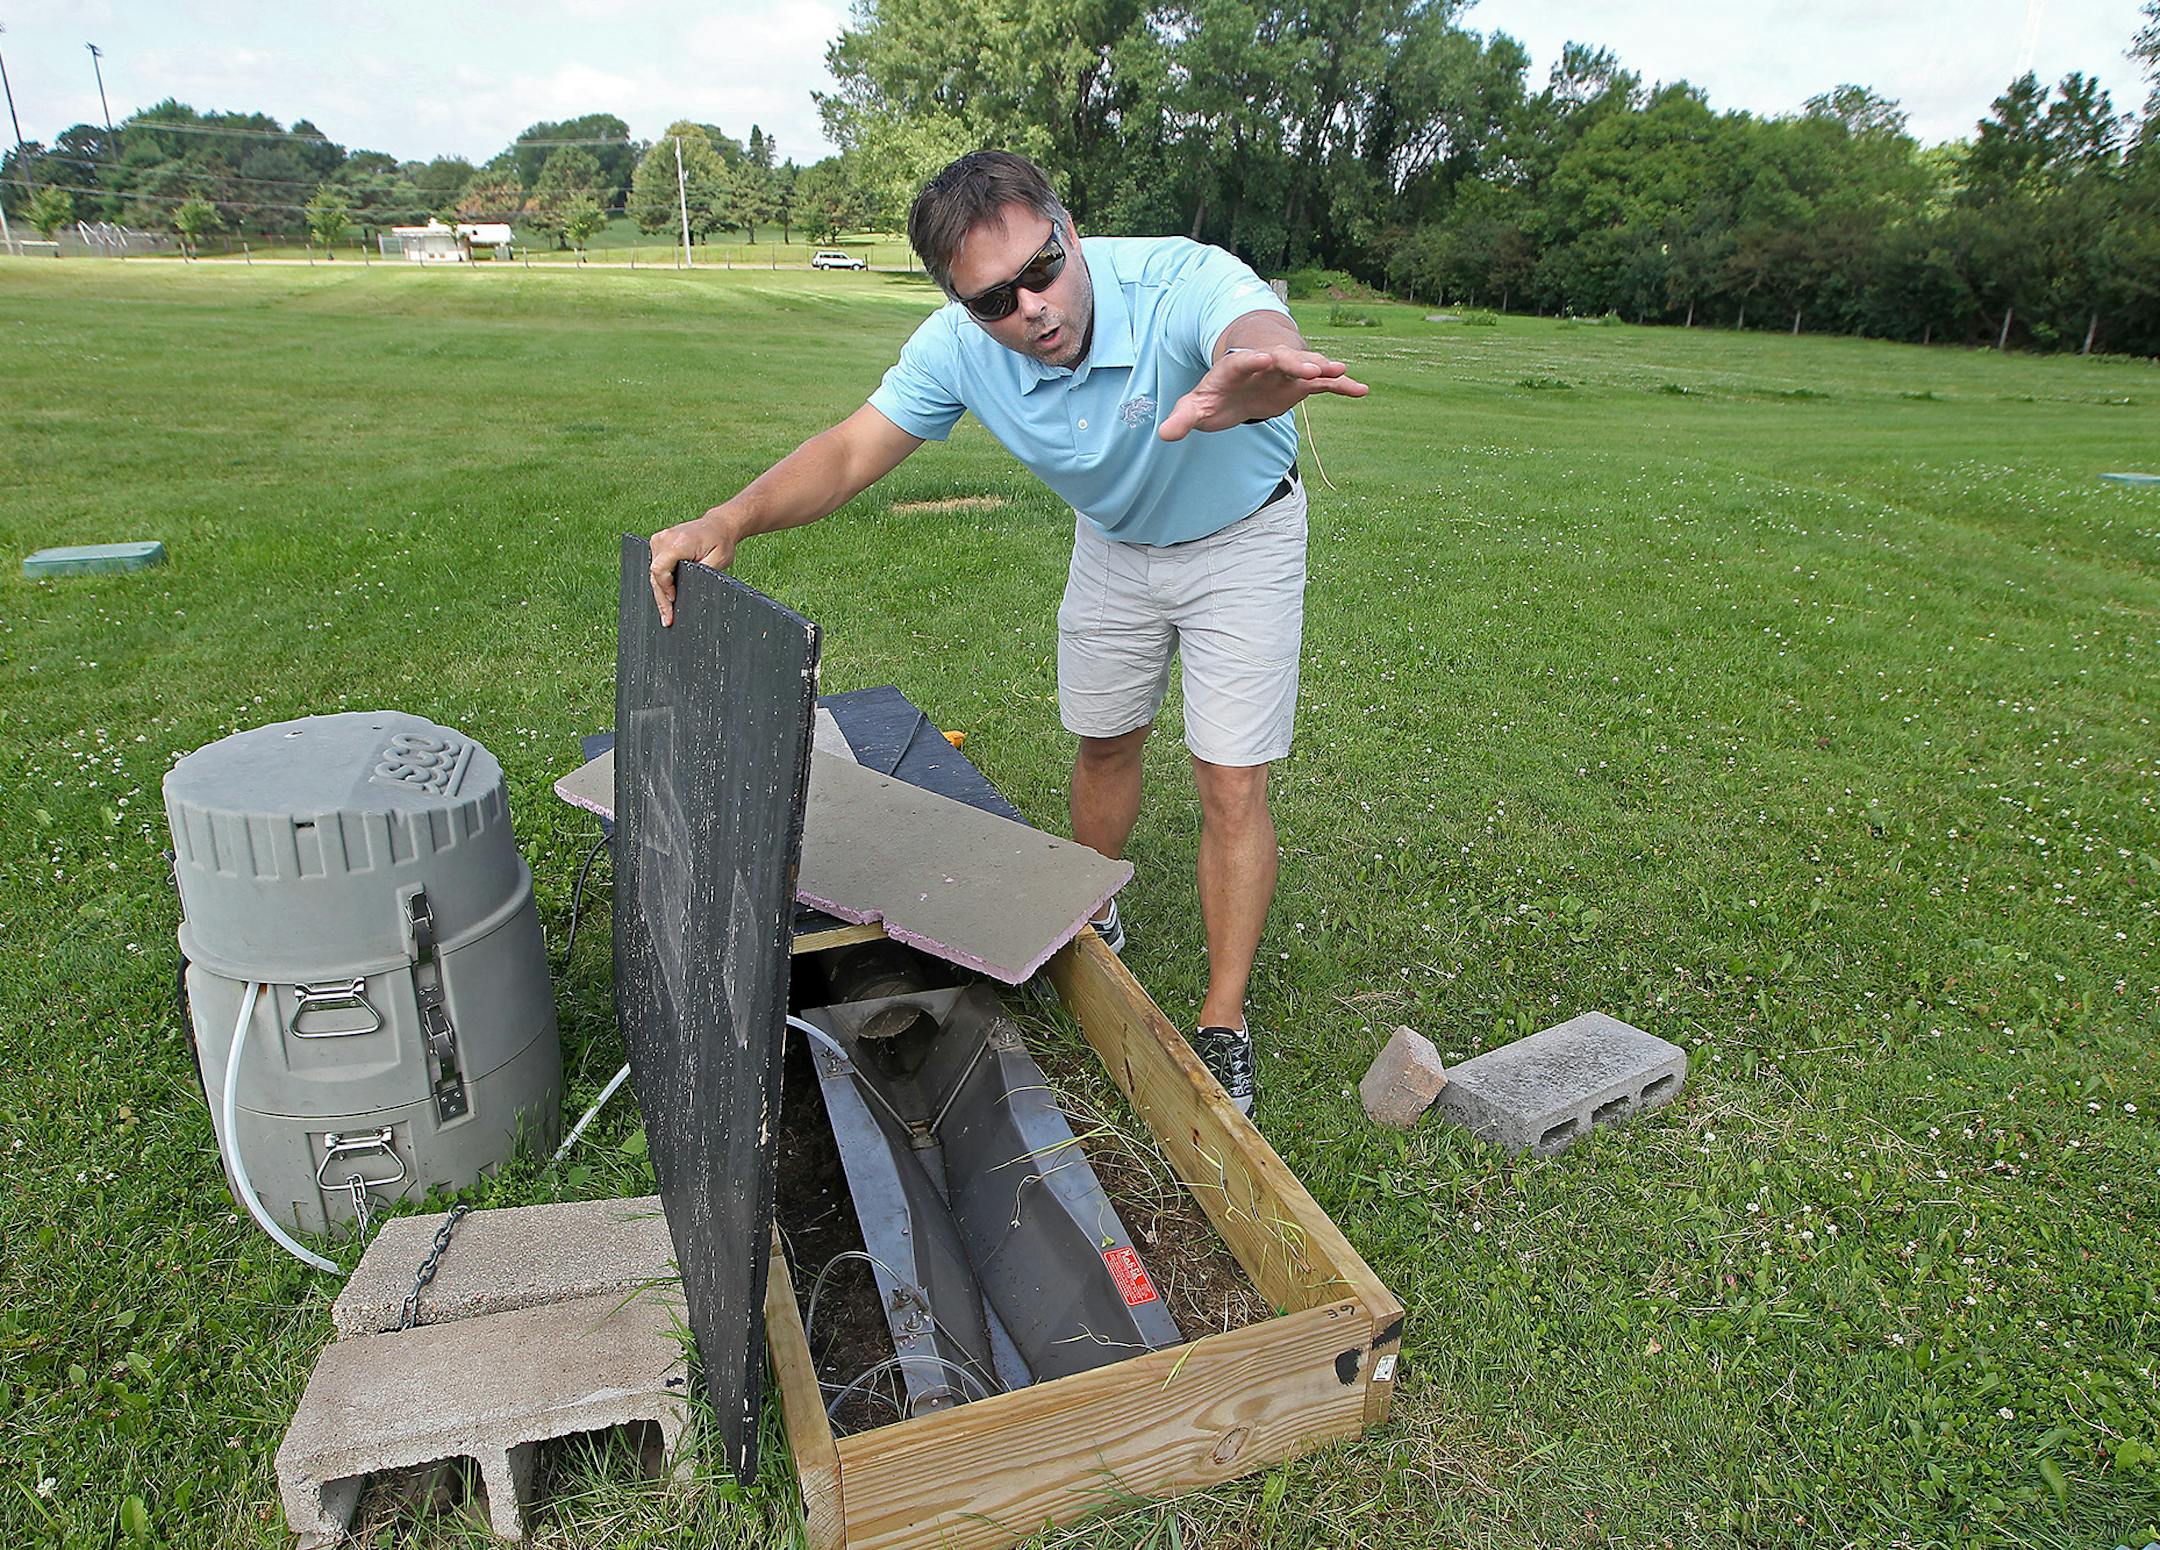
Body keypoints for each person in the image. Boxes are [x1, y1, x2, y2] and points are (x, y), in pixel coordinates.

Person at [647, 150, 1366, 1115]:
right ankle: (1094, 915)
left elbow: (1251, 332)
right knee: (1105, 742)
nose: (1032, 306)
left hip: (1242, 536)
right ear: (960, 304)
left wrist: (1258, 373)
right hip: (1115, 544)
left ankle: (1224, 1019)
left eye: (1043, 267)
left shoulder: (1175, 279)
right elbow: (854, 449)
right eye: (994, 300)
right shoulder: (955, 348)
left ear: (1069, 231)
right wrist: (727, 520)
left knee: (1231, 779)